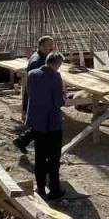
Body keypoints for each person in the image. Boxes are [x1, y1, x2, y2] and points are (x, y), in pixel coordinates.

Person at [26, 51, 67, 200]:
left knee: (40, 156)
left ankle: (41, 187)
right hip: (52, 123)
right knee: (54, 158)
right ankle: (54, 189)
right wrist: (65, 96)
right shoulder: (55, 76)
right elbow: (59, 102)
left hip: (37, 121)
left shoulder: (32, 74)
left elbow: (30, 93)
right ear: (56, 63)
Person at [14, 36, 57, 154]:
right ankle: (24, 141)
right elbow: (39, 82)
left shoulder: (41, 57)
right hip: (39, 97)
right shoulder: (37, 61)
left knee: (41, 124)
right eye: (49, 45)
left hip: (39, 96)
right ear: (41, 46)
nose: (52, 47)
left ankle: (21, 141)